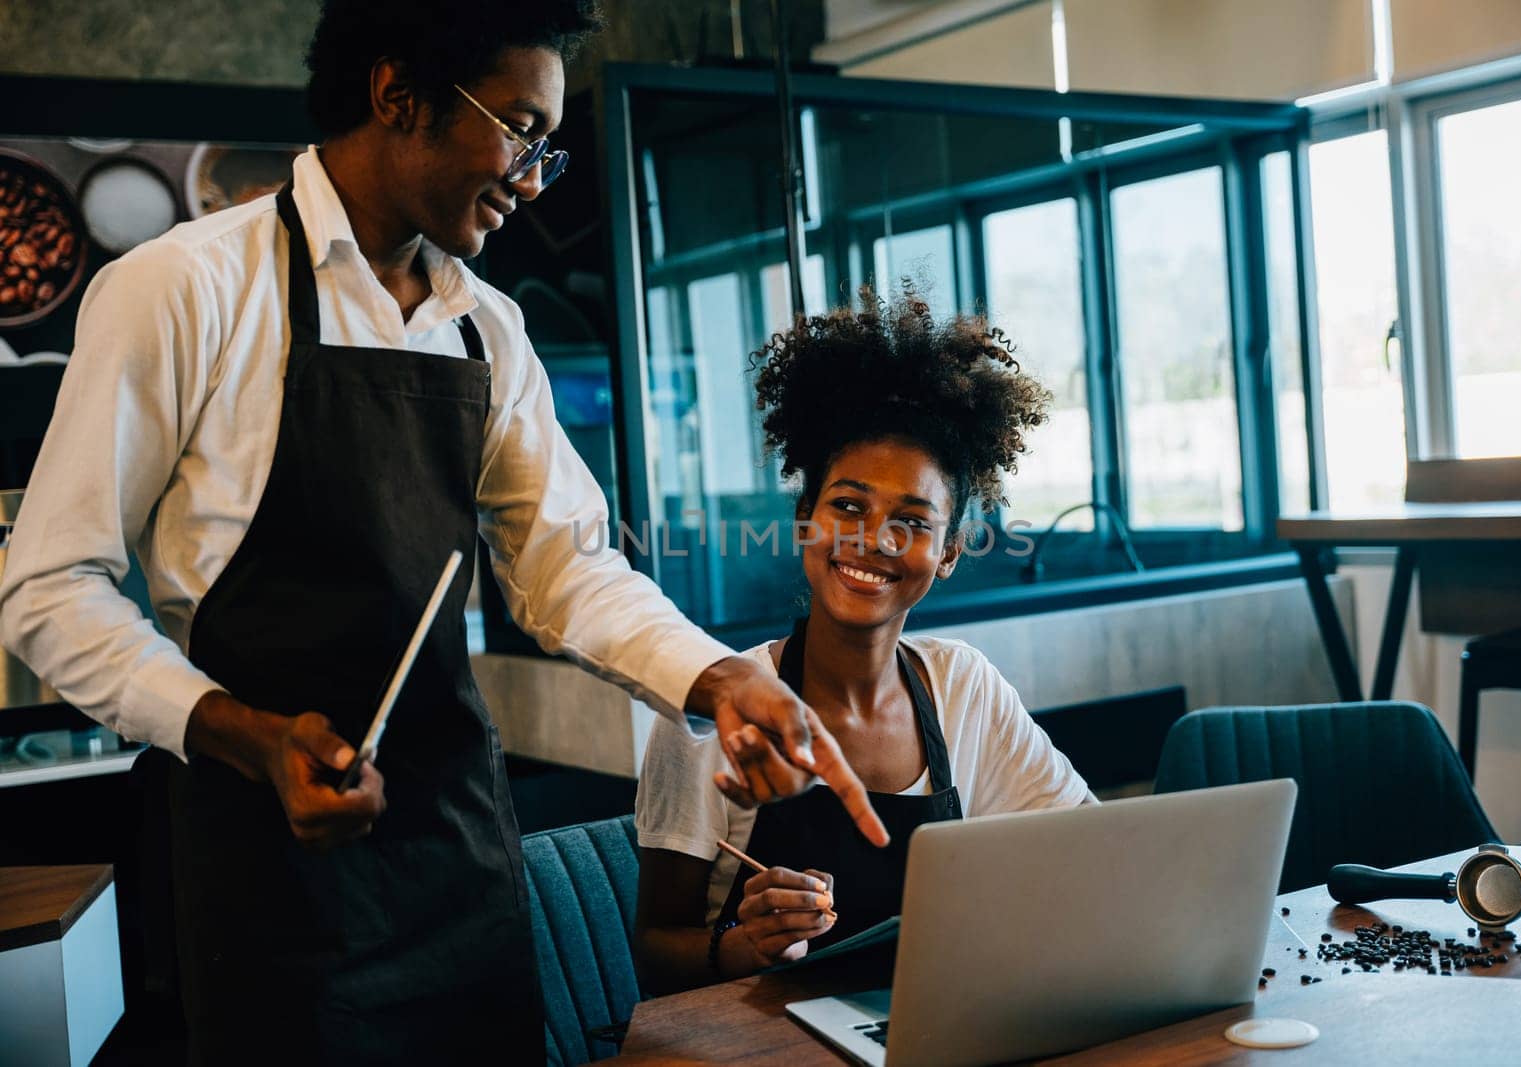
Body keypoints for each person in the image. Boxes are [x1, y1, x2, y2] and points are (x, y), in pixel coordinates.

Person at [0, 2, 885, 1062]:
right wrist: (249, 733)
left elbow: (567, 567)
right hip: (264, 874)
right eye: (520, 128)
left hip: (460, 866)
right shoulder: (181, 287)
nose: (531, 174)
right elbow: (49, 586)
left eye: (545, 147)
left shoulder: (486, 328)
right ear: (397, 95)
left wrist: (715, 679)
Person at [632, 285, 1099, 993]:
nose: (873, 539)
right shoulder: (716, 711)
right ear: (804, 519)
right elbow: (652, 952)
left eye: (912, 519)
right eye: (847, 504)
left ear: (948, 552)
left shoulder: (962, 686)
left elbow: (1089, 851)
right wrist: (741, 942)